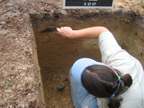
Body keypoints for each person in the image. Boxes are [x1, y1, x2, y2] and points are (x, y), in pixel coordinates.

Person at [57, 26, 144, 108]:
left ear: (95, 94)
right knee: (74, 71)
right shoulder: (119, 59)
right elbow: (102, 31)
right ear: (109, 66)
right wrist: (73, 34)